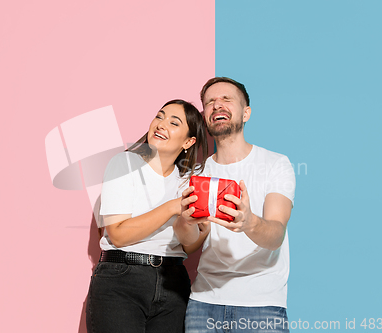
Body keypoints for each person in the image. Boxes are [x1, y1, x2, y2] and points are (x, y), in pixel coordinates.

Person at [174, 77, 296, 333]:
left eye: (227, 99)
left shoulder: (275, 164)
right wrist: (184, 221)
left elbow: (276, 234)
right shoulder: (196, 172)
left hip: (262, 305)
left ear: (246, 113)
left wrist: (249, 222)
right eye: (209, 102)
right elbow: (191, 244)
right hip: (204, 305)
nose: (217, 105)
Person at [86, 99, 208, 333]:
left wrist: (198, 227)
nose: (161, 124)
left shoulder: (187, 182)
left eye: (174, 122)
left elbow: (189, 246)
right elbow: (119, 235)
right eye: (159, 116)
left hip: (173, 282)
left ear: (188, 141)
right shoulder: (124, 163)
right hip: (122, 278)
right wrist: (172, 208)